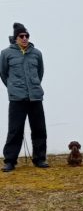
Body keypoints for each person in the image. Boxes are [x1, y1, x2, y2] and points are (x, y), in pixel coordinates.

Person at [0, 22, 49, 172]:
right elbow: (3, 74)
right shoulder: (6, 54)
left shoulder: (37, 53)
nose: (25, 38)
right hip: (17, 98)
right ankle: (10, 161)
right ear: (15, 38)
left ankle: (39, 159)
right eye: (21, 36)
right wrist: (13, 88)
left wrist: (33, 87)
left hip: (35, 97)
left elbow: (40, 73)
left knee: (39, 129)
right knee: (15, 130)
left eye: (27, 36)